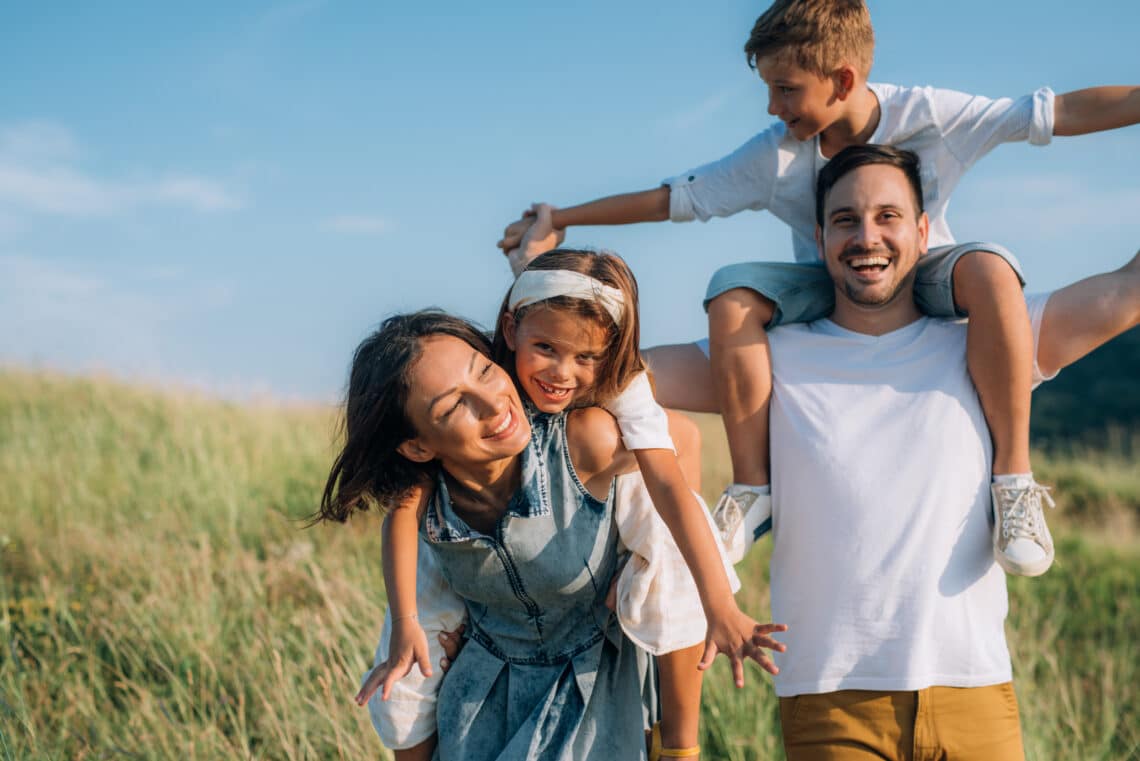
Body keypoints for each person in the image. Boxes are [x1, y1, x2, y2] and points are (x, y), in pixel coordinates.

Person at [496, 0, 1140, 577]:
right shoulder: (777, 155)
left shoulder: (930, 116)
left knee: (991, 270)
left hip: (936, 276)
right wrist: (565, 218)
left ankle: (1015, 480)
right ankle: (752, 488)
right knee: (733, 293)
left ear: (843, 80)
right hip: (821, 286)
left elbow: (1056, 112)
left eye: (784, 89)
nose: (773, 107)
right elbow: (675, 198)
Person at [740, 143, 1139, 759]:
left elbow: (1129, 289)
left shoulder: (988, 338)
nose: (865, 235)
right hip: (832, 701)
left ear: (924, 232)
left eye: (888, 216)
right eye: (845, 219)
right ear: (820, 238)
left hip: (973, 690)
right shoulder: (774, 355)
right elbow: (619, 371)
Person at [315, 311, 786, 761]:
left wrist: (649, 557)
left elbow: (680, 439)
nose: (492, 401)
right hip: (483, 699)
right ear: (418, 445)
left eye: (484, 370)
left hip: (594, 688)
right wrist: (408, 623)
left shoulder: (584, 442)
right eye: (455, 404)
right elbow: (409, 650)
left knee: (665, 562)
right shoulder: (428, 501)